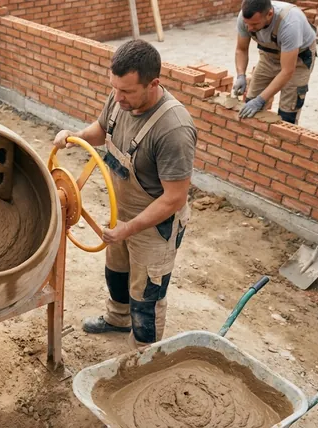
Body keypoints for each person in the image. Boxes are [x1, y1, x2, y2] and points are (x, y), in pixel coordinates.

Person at [52, 39, 196, 350]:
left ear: (153, 83)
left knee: (146, 294)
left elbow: (174, 198)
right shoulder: (120, 99)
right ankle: (118, 319)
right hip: (123, 213)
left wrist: (129, 229)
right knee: (116, 272)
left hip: (156, 225)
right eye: (114, 88)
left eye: (127, 92)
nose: (118, 98)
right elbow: (102, 130)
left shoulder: (173, 129)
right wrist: (75, 137)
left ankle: (144, 354)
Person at [234, 0, 317, 124]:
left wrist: (260, 100)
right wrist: (241, 75)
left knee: (287, 113)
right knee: (250, 102)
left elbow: (287, 71)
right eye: (247, 24)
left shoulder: (289, 23)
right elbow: (241, 49)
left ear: (269, 14)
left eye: (255, 24)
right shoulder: (245, 17)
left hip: (298, 60)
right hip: (269, 57)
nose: (250, 28)